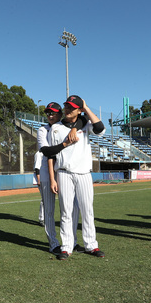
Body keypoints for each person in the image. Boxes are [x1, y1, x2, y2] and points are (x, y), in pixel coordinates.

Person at [48, 95, 105, 260]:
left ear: (79, 110)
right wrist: (53, 178)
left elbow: (100, 128)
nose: (67, 109)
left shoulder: (85, 124)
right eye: (66, 106)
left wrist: (86, 109)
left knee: (87, 211)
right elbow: (52, 154)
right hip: (64, 172)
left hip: (84, 173)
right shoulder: (56, 128)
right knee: (66, 211)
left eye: (72, 107)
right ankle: (66, 247)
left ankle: (91, 245)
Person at [36, 102, 80, 255]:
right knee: (49, 210)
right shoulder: (43, 129)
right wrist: (66, 143)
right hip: (48, 174)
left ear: (60, 114)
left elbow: (82, 119)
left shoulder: (67, 127)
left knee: (71, 209)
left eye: (53, 112)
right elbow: (47, 151)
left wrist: (75, 126)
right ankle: (54, 244)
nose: (50, 115)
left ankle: (71, 242)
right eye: (48, 113)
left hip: (64, 172)